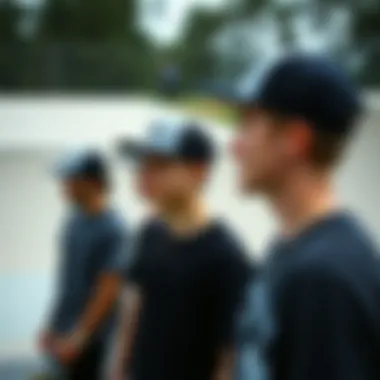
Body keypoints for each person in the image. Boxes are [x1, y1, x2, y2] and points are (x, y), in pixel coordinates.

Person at [231, 53, 380, 380]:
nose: (234, 145)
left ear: (294, 140)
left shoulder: (324, 280)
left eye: (248, 125)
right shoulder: (292, 248)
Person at [111, 119, 251, 380]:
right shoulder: (149, 233)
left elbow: (228, 355)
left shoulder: (226, 256)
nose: (145, 173)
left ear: (199, 172)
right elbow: (135, 305)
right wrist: (118, 368)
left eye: (160, 165)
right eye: (143, 164)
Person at [38, 150, 128, 380]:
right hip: (64, 332)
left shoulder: (114, 229)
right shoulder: (74, 222)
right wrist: (52, 325)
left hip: (92, 341)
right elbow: (67, 280)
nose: (64, 185)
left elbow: (108, 290)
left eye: (71, 179)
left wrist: (78, 339)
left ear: (93, 183)